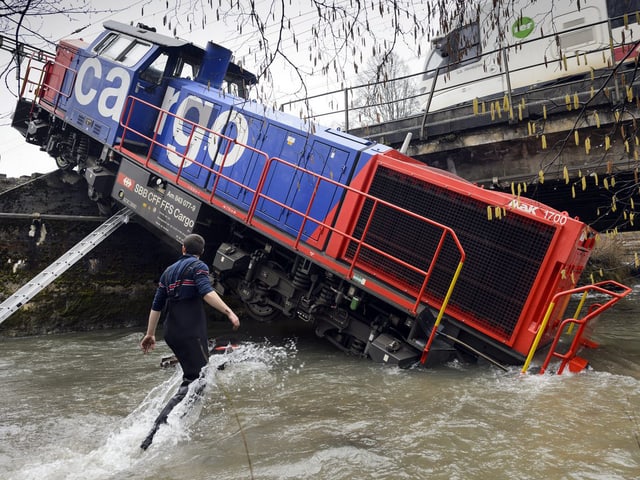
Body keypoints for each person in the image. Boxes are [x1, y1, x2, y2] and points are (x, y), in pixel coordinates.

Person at [139, 233, 239, 450]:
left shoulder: (168, 272)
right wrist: (229, 312)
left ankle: (172, 423)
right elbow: (207, 292)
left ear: (183, 249)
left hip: (172, 331)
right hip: (190, 330)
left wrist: (150, 334)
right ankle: (160, 431)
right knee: (197, 378)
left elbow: (156, 305)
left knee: (196, 377)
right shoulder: (198, 267)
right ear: (200, 252)